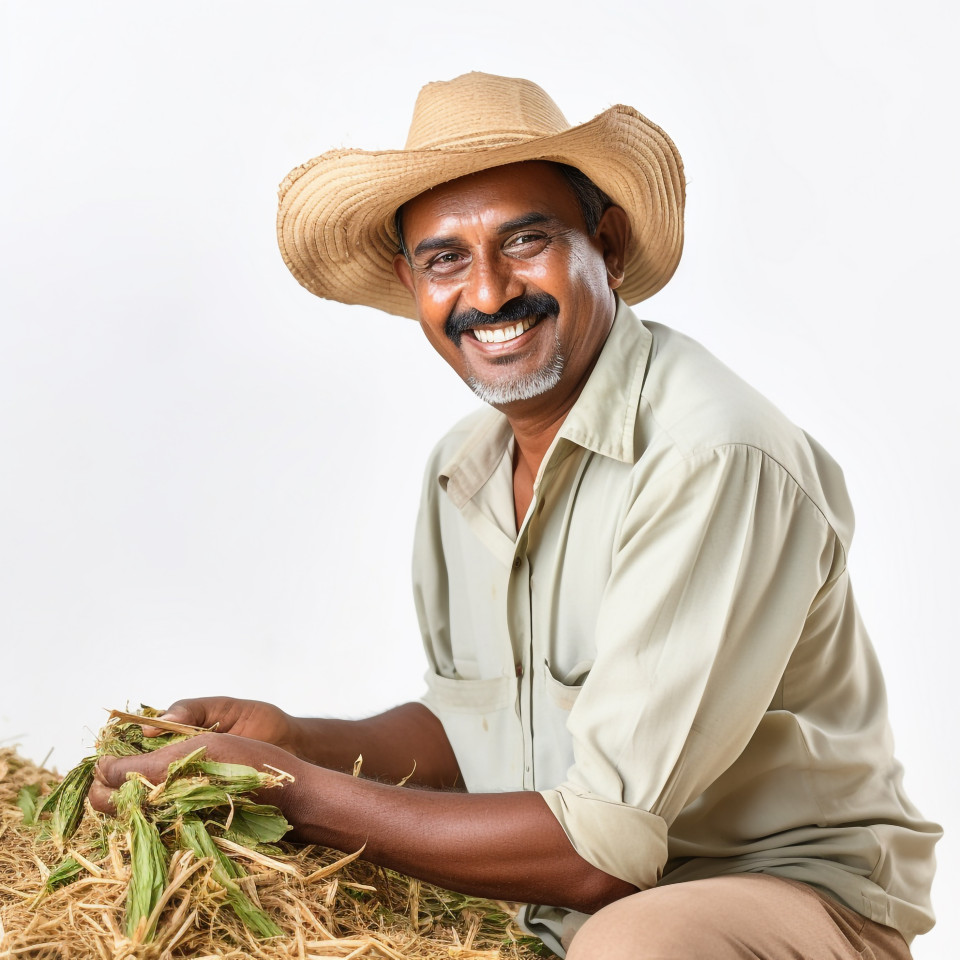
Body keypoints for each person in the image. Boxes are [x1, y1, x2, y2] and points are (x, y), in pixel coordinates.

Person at [90, 72, 940, 958]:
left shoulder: (710, 457)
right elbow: (480, 727)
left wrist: (294, 791)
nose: (489, 294)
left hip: (776, 894)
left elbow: (602, 855)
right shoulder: (465, 467)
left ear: (605, 246)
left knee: (631, 946)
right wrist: (299, 740)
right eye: (446, 258)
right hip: (561, 902)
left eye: (525, 240)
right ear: (411, 280)